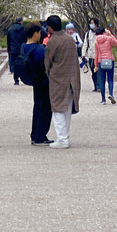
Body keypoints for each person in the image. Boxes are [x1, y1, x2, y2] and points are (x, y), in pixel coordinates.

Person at [43, 14, 81, 148]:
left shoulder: (52, 41)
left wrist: (49, 73)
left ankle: (62, 140)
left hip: (58, 79)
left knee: (58, 109)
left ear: (49, 27)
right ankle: (65, 137)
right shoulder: (70, 39)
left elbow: (47, 63)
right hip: (71, 79)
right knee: (67, 109)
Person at [15, 23, 53, 145]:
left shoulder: (23, 47)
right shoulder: (40, 50)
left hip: (34, 81)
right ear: (36, 33)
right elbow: (47, 66)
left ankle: (35, 135)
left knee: (37, 107)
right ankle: (40, 136)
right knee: (45, 109)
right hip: (44, 82)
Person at [94, 23, 117, 105]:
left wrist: (96, 65)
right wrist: (111, 35)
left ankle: (103, 99)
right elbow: (116, 43)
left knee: (102, 81)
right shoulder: (108, 38)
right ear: (104, 32)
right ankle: (111, 94)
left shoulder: (96, 42)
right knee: (110, 80)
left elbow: (96, 54)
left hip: (101, 61)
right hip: (109, 60)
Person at [6, 17, 26, 84]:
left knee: (14, 64)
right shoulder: (23, 29)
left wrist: (9, 49)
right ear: (21, 21)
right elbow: (25, 39)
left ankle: (16, 79)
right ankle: (22, 77)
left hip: (13, 49)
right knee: (21, 63)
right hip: (21, 49)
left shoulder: (10, 29)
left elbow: (8, 40)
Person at [81, 19, 99, 92]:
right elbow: (85, 44)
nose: (91, 24)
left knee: (99, 72)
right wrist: (83, 55)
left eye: (92, 23)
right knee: (93, 72)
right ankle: (95, 86)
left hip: (99, 56)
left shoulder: (100, 32)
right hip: (91, 56)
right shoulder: (88, 33)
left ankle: (99, 86)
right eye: (90, 23)